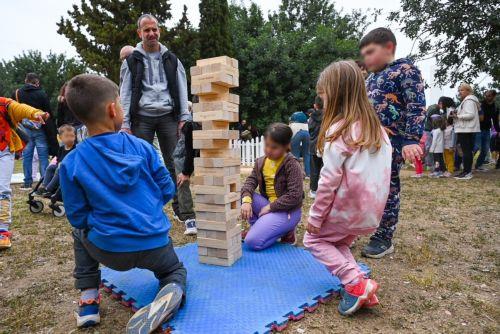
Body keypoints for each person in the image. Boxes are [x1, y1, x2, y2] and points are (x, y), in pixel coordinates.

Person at [59, 74, 186, 331]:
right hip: (154, 244)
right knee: (175, 271)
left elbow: (77, 216)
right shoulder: (143, 148)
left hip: (110, 250)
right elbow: (167, 187)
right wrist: (149, 208)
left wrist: (98, 224)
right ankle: (172, 288)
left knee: (77, 232)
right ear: (112, 109)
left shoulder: (71, 162)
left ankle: (88, 300)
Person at [303, 60, 392, 315]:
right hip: (371, 211)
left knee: (313, 239)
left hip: (346, 208)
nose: (323, 103)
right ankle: (360, 283)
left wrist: (316, 217)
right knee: (338, 242)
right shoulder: (378, 131)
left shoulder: (339, 130)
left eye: (324, 97)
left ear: (336, 94)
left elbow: (328, 180)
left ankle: (354, 284)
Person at [360, 27, 426, 258]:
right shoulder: (371, 78)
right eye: (363, 54)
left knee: (388, 187)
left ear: (389, 47)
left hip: (394, 142)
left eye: (370, 52)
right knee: (367, 186)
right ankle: (364, 226)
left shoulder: (405, 70)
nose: (365, 58)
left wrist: (411, 139)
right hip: (370, 142)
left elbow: (416, 105)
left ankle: (384, 236)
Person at [120, 14, 190, 193]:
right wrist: (125, 123)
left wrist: (184, 118)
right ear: (139, 33)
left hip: (169, 117)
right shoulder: (130, 61)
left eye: (154, 29)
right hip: (142, 119)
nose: (151, 33)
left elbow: (182, 90)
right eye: (146, 30)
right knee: (140, 162)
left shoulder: (172, 60)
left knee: (175, 163)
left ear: (159, 31)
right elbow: (125, 94)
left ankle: (181, 210)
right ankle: (143, 205)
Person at [240, 123, 304, 250]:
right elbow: (250, 182)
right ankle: (260, 227)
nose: (268, 150)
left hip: (287, 211)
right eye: (267, 145)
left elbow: (295, 196)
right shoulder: (260, 162)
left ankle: (286, 231)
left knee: (252, 242)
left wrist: (271, 207)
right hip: (268, 206)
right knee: (239, 194)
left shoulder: (291, 164)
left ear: (286, 146)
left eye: (274, 147)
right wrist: (246, 201)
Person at [0, 97, 48, 249]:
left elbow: (19, 108)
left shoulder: (2, 104)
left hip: (3, 152)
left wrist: (35, 113)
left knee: (2, 190)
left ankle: (3, 231)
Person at [13, 73, 58, 190]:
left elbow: (12, 109)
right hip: (40, 128)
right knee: (43, 156)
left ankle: (27, 182)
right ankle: (45, 182)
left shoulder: (17, 93)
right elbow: (48, 112)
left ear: (25, 80)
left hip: (25, 129)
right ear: (36, 82)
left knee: (27, 156)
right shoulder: (41, 94)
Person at [172, 101, 198, 235]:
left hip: (199, 155)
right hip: (183, 156)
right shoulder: (190, 125)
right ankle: (189, 218)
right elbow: (189, 150)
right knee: (183, 183)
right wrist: (186, 172)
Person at [35, 125, 76, 197]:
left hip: (70, 169)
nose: (70, 138)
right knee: (51, 167)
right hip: (60, 167)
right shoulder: (61, 149)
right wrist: (58, 163)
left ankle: (49, 189)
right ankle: (44, 186)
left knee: (59, 168)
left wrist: (62, 164)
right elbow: (58, 159)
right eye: (66, 136)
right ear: (60, 138)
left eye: (72, 136)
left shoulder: (76, 149)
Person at [452, 83, 480, 180]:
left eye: (462, 90)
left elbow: (471, 115)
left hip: (466, 129)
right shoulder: (466, 101)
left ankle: (467, 172)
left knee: (466, 151)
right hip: (465, 128)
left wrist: (458, 116)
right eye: (459, 90)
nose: (460, 92)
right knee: (466, 151)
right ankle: (466, 171)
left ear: (468, 91)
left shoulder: (469, 101)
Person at [475, 90, 499, 170]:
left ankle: (479, 165)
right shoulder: (481, 104)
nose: (487, 97)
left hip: (487, 129)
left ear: (493, 96)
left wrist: (498, 130)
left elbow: (495, 120)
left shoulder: (495, 107)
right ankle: (464, 164)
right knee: (476, 147)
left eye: (489, 96)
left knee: (485, 149)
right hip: (478, 129)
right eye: (486, 95)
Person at [308, 96, 324, 198]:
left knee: (314, 169)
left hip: (314, 144)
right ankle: (324, 190)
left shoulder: (311, 117)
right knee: (325, 169)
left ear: (315, 105)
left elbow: (310, 130)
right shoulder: (328, 116)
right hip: (325, 145)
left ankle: (313, 190)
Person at [290, 111, 311, 177]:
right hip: (307, 133)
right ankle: (308, 174)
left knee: (295, 154)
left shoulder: (292, 124)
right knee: (307, 154)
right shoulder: (306, 124)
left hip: (296, 133)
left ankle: (297, 173)